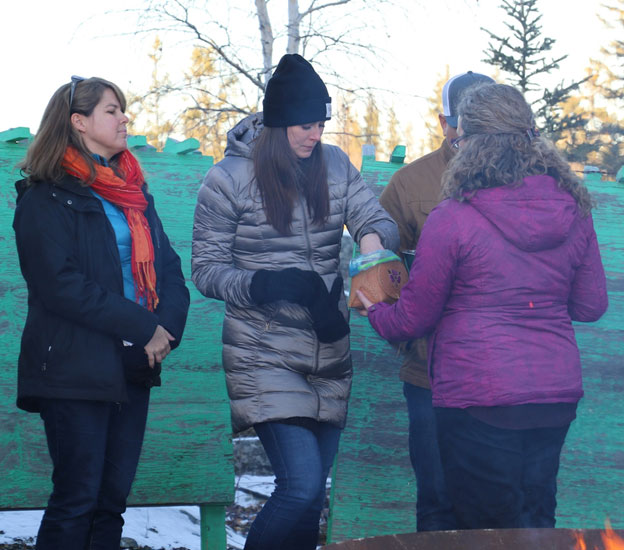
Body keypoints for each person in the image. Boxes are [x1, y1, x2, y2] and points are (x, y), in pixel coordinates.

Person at [357, 83, 608, 530]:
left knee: (482, 531)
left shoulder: (453, 217)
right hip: (554, 395)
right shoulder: (574, 208)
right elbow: (590, 305)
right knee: (536, 523)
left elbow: (412, 318)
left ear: (470, 143)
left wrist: (374, 307)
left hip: (479, 394)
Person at [191, 54, 399, 550]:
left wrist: (372, 241)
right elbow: (206, 270)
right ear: (280, 121)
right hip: (262, 351)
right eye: (306, 125)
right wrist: (266, 284)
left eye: (322, 124)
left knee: (312, 499)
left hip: (329, 346)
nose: (315, 135)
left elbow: (376, 216)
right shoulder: (228, 179)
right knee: (300, 485)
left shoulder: (334, 164)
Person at [13, 76, 190, 550]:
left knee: (111, 503)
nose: (124, 117)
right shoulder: (44, 196)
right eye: (112, 110)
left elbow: (170, 271)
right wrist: (142, 325)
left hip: (133, 364)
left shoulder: (134, 194)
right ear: (79, 122)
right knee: (77, 499)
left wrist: (165, 330)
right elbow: (60, 285)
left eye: (123, 109)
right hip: (74, 366)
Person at [379, 71, 493, 532]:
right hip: (430, 375)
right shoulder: (411, 183)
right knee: (438, 501)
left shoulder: (529, 180)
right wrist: (397, 325)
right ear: (443, 122)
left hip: (501, 377)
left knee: (497, 505)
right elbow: (377, 258)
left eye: (476, 121)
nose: (463, 131)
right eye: (456, 121)